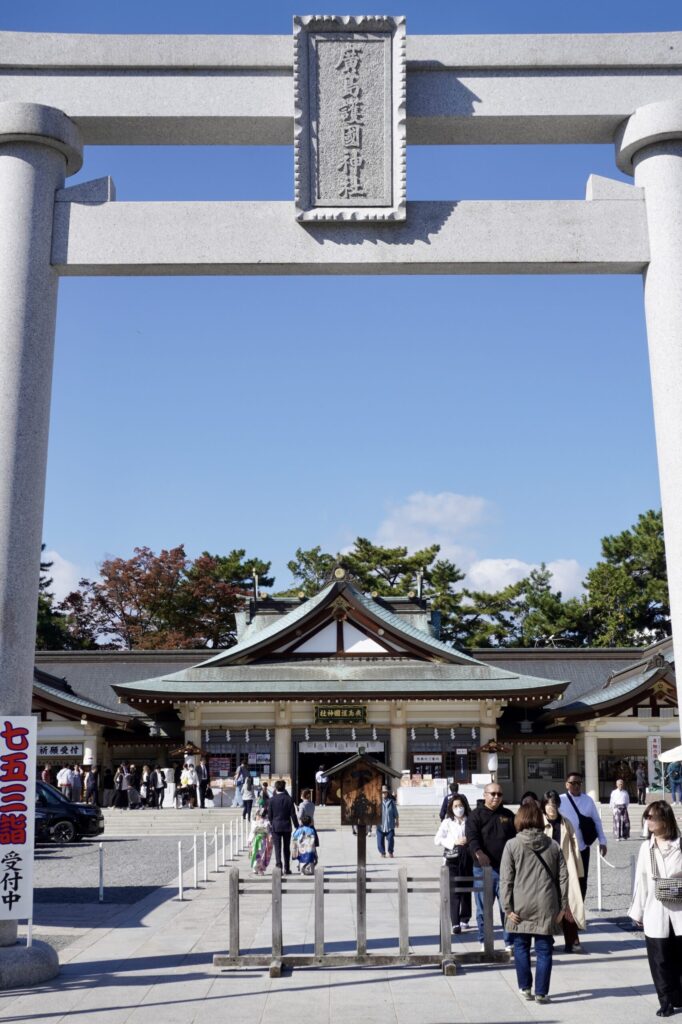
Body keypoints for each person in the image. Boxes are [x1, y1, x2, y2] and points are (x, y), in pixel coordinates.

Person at [500, 801, 568, 1005]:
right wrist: (563, 905)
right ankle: (541, 992)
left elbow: (506, 879)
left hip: (520, 904)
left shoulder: (512, 845)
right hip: (547, 903)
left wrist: (507, 907)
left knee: (521, 946)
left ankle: (525, 987)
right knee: (544, 949)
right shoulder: (553, 845)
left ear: (519, 820)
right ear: (540, 819)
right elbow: (563, 878)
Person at [629, 800, 682, 1017]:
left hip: (679, 911)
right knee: (659, 961)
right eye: (647, 817)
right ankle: (665, 1001)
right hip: (655, 910)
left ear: (665, 820)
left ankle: (679, 997)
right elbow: (640, 881)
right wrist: (638, 911)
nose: (648, 821)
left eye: (652, 817)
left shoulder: (680, 844)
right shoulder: (646, 848)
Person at [465, 781, 517, 953]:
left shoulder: (508, 815)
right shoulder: (475, 815)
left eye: (499, 794)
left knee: (507, 907)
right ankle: (484, 940)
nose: (496, 797)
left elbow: (516, 840)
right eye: (492, 794)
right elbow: (472, 838)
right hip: (483, 869)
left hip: (506, 870)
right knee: (483, 909)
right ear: (484, 795)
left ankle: (509, 942)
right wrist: (479, 853)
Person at [541, 789, 586, 953]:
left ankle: (572, 940)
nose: (551, 808)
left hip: (565, 867)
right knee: (546, 904)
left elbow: (575, 847)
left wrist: (578, 871)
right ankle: (547, 940)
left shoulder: (566, 823)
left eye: (554, 804)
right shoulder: (538, 822)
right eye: (548, 804)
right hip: (544, 869)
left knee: (569, 903)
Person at [559, 772, 607, 897]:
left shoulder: (588, 800)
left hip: (583, 847)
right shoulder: (560, 800)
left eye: (579, 783)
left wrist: (602, 841)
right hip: (565, 848)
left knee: (582, 879)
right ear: (566, 784)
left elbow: (596, 821)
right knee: (566, 878)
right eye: (573, 783)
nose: (576, 786)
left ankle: (580, 906)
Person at [434, 794, 472, 933]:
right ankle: (455, 922)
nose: (458, 808)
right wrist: (453, 842)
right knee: (454, 890)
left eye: (460, 805)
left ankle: (465, 918)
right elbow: (437, 840)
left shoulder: (470, 820)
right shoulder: (447, 822)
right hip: (452, 859)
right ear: (451, 808)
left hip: (467, 858)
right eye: (455, 806)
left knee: (466, 889)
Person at [267, 779, 299, 874]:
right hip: (286, 826)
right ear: (284, 788)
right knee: (286, 848)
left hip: (276, 826)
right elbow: (293, 814)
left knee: (277, 848)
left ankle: (279, 867)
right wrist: (297, 826)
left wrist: (272, 822)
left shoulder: (271, 800)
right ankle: (287, 868)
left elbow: (269, 815)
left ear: (276, 788)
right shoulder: (289, 799)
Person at [377, 785, 399, 858]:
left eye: (385, 792)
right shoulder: (377, 802)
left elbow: (395, 812)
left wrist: (397, 821)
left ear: (387, 793)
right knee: (380, 841)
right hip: (380, 826)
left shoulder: (391, 802)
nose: (384, 794)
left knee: (390, 839)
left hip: (390, 825)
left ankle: (390, 852)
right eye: (382, 792)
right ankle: (382, 853)